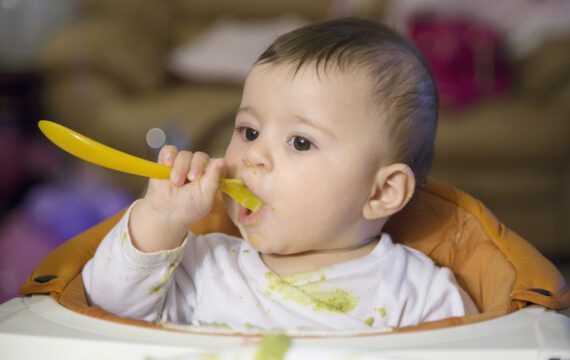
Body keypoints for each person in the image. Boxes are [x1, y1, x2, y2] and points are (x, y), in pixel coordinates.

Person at [83, 17, 478, 330]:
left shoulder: (417, 294)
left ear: (382, 192)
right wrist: (161, 217)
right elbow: (106, 305)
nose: (254, 155)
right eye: (249, 132)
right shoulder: (204, 265)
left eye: (300, 142)